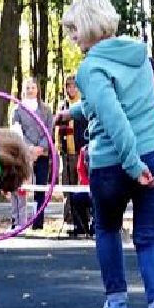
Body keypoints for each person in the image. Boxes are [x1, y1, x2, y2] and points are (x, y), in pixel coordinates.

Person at [58, 0, 154, 308]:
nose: (73, 38)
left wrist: (132, 163)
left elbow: (113, 117)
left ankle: (116, 304)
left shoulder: (90, 68)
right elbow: (129, 100)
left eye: (74, 30)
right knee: (148, 238)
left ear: (89, 26)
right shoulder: (138, 54)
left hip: (116, 161)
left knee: (108, 229)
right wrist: (73, 113)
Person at [11, 79, 54, 231]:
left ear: (38, 89)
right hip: (24, 154)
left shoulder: (46, 110)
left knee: (40, 189)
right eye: (27, 87)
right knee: (20, 187)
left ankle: (38, 223)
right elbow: (16, 131)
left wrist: (40, 148)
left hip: (42, 154)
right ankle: (18, 221)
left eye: (33, 87)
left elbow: (49, 129)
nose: (30, 90)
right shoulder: (17, 110)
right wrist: (28, 148)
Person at [57, 74, 93, 238]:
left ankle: (84, 221)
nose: (71, 89)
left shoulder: (83, 105)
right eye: (68, 86)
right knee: (67, 185)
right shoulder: (63, 105)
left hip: (81, 151)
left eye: (74, 86)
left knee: (82, 186)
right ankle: (70, 220)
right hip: (66, 151)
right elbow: (57, 128)